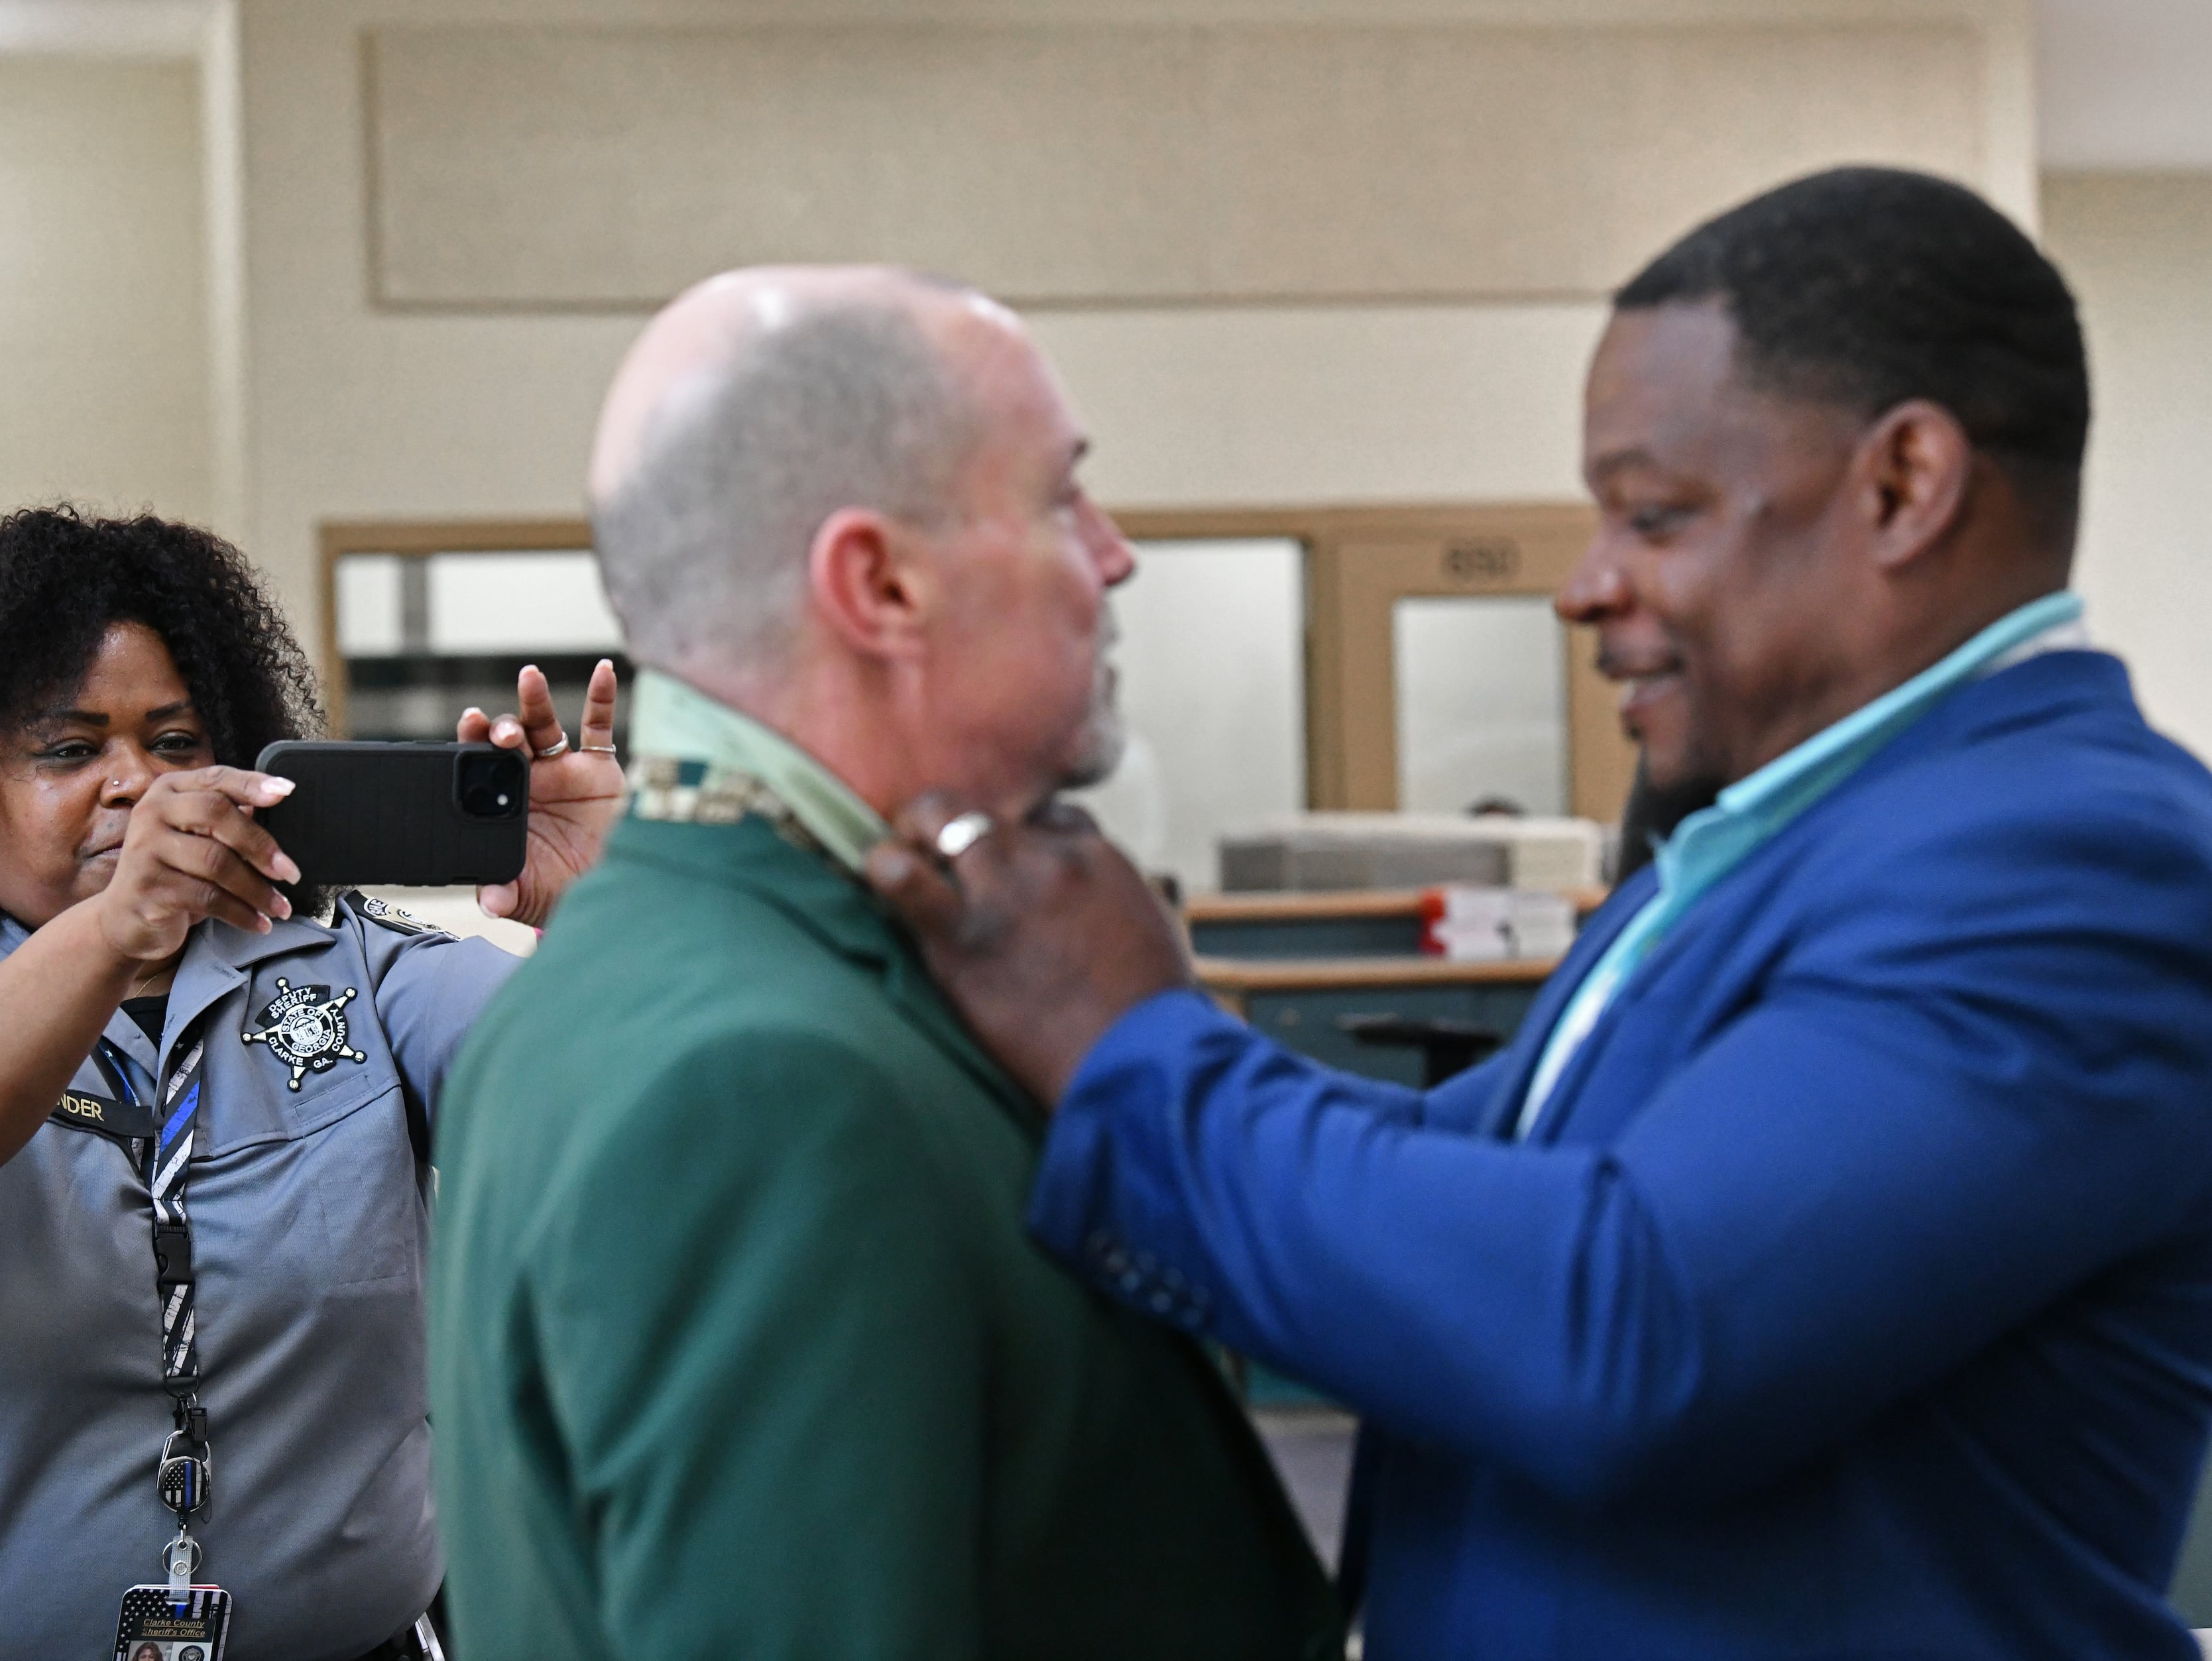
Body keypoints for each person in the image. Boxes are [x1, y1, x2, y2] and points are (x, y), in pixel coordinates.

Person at [866, 167, 2212, 1657]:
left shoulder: (2072, 862)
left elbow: (1631, 1326)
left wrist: (1136, 1037)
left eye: (1654, 514)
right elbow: (1463, 1173)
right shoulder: (1778, 848)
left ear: (1904, 487)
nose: (1585, 587)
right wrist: (1030, 1061)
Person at [428, 267, 1342, 1659]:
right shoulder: (768, 1084)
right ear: (880, 583)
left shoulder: (646, 964)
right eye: (1061, 498)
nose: (1115, 554)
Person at [0, 508, 626, 1660]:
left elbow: (632, 1137)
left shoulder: (359, 973)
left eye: (176, 742)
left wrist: (626, 915)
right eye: (70, 751)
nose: (139, 787)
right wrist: (116, 927)